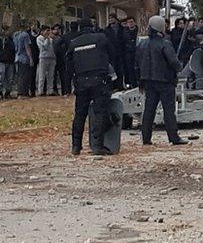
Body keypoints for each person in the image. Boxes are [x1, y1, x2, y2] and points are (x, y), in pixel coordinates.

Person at [65, 18, 115, 156]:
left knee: (80, 114)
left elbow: (68, 67)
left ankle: (76, 146)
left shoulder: (73, 43)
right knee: (99, 112)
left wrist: (70, 84)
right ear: (92, 26)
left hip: (81, 81)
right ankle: (97, 146)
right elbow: (113, 54)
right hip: (99, 80)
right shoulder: (101, 38)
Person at [138, 16, 189, 146]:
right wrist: (179, 66)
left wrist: (141, 81)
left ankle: (146, 138)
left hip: (148, 81)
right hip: (165, 81)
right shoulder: (165, 43)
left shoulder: (142, 44)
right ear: (161, 27)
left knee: (149, 110)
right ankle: (173, 137)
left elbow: (137, 63)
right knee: (168, 110)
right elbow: (173, 62)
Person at [13, 24, 34, 97]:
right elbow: (27, 47)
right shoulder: (25, 35)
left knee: (19, 75)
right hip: (24, 58)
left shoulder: (15, 35)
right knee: (25, 76)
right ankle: (23, 93)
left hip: (17, 57)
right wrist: (31, 58)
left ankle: (20, 92)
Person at [35, 26, 57, 95]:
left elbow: (54, 47)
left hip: (52, 58)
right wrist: (47, 39)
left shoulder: (50, 39)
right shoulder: (39, 38)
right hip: (43, 58)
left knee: (51, 76)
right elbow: (43, 47)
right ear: (42, 31)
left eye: (49, 30)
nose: (48, 32)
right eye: (47, 30)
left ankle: (50, 90)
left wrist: (52, 39)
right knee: (42, 75)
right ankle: (40, 91)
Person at [121, 17, 139, 88]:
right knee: (130, 69)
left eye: (131, 22)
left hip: (137, 52)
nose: (130, 24)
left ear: (134, 22)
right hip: (128, 53)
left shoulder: (138, 30)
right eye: (129, 22)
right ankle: (132, 84)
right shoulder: (124, 32)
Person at [0, 25, 15, 98]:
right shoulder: (0, 39)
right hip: (1, 61)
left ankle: (7, 92)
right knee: (1, 76)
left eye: (7, 30)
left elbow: (13, 49)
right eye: (4, 30)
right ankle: (0, 92)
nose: (5, 31)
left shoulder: (11, 39)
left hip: (10, 61)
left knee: (10, 78)